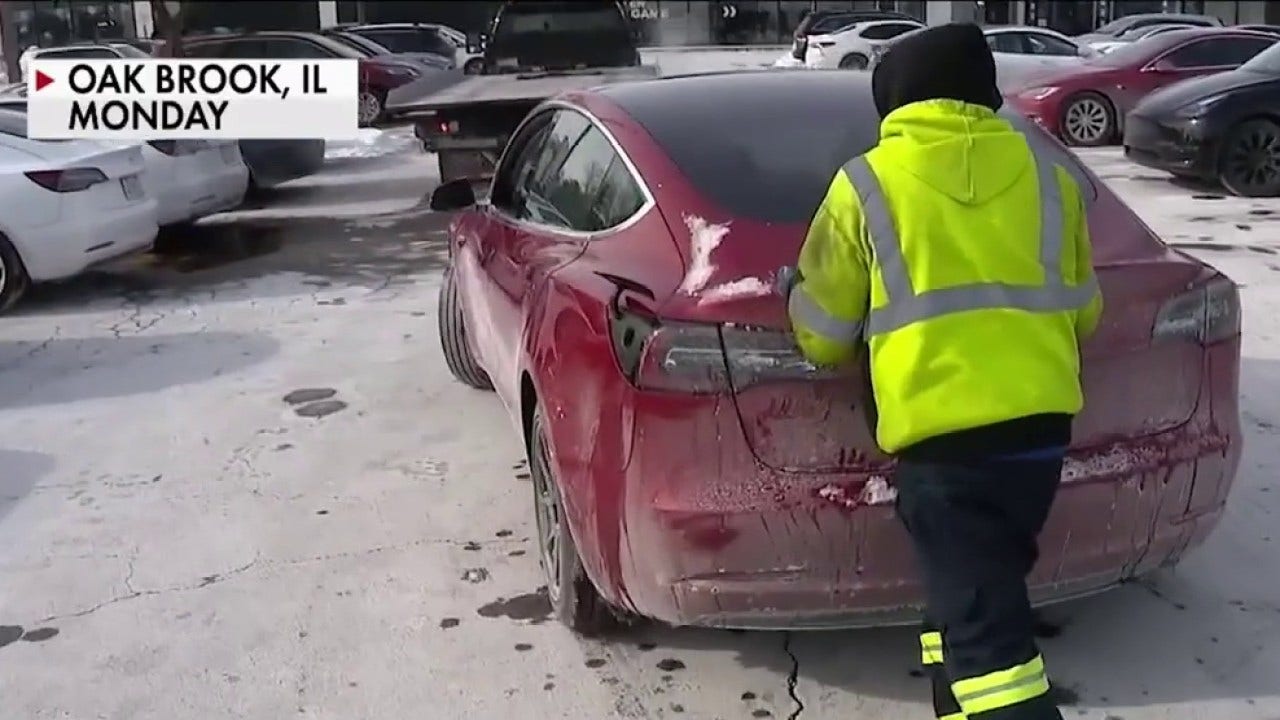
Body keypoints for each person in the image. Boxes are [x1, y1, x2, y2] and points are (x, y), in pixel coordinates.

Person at [778, 23, 1102, 720]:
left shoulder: (866, 183)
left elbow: (825, 337)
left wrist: (793, 296)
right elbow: (1084, 314)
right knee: (965, 600)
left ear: (894, 102)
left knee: (992, 653)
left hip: (945, 447)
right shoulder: (1052, 178)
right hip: (1040, 438)